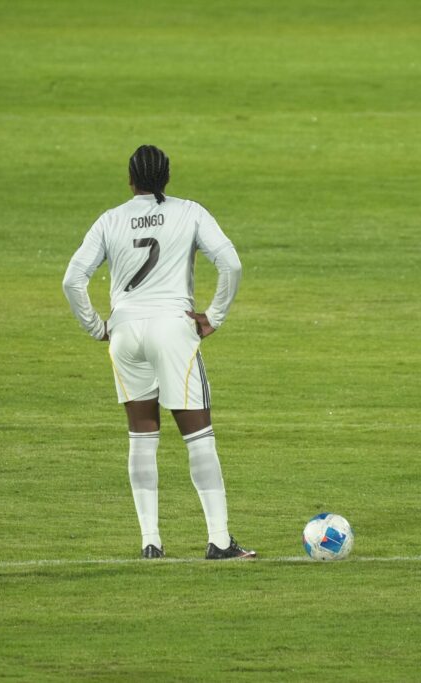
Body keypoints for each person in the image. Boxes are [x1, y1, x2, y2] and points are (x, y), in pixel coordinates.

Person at [62, 144, 256, 560]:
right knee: (198, 437)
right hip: (172, 328)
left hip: (126, 331)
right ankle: (219, 540)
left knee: (142, 435)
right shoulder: (189, 211)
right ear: (166, 178)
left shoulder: (110, 220)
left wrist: (98, 326)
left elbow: (73, 279)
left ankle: (151, 541)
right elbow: (232, 264)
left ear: (130, 179)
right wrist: (215, 316)